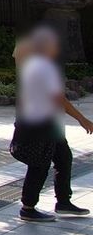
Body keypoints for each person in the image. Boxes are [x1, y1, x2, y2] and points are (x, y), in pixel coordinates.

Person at [13, 25, 93, 222]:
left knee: (63, 157)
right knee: (39, 164)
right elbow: (58, 98)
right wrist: (82, 119)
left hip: (45, 121)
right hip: (40, 124)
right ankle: (28, 207)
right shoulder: (42, 67)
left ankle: (63, 202)